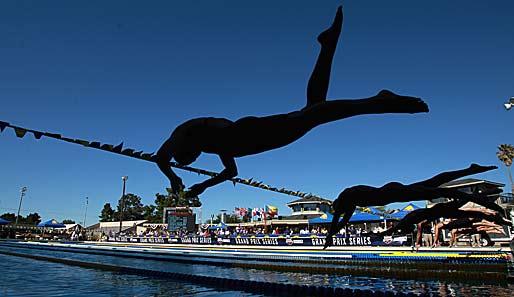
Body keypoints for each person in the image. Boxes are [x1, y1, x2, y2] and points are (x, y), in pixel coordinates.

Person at [155, 6, 429, 197]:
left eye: (186, 158)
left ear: (183, 147)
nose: (191, 160)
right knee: (314, 109)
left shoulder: (188, 131)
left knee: (313, 115)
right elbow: (231, 171)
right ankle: (328, 46)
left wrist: (173, 177)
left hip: (253, 132)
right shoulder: (212, 145)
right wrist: (204, 187)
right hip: (257, 140)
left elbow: (161, 158)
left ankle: (377, 102)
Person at [325, 164, 504, 248]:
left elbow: (337, 223)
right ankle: (469, 171)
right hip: (392, 191)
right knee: (433, 183)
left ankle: (472, 195)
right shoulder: (348, 201)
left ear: (337, 204)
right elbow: (341, 222)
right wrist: (330, 237)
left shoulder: (347, 196)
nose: (339, 213)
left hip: (394, 193)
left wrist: (330, 237)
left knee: (437, 191)